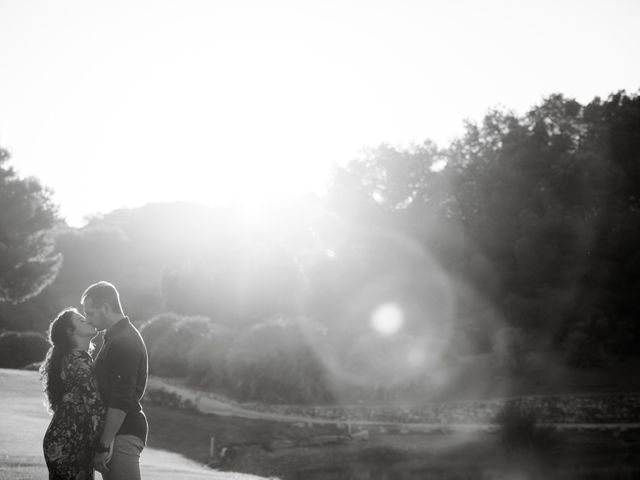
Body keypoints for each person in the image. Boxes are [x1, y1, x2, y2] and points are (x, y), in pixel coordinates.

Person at [81, 281, 148, 480]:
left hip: (123, 432)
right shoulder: (114, 338)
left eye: (90, 313)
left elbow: (121, 399)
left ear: (106, 308)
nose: (88, 319)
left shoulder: (124, 342)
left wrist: (104, 444)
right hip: (116, 432)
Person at [41, 308, 106, 480]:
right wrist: (104, 445)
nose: (88, 320)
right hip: (69, 445)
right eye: (81, 320)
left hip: (65, 442)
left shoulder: (75, 358)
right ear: (70, 331)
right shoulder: (78, 360)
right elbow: (95, 407)